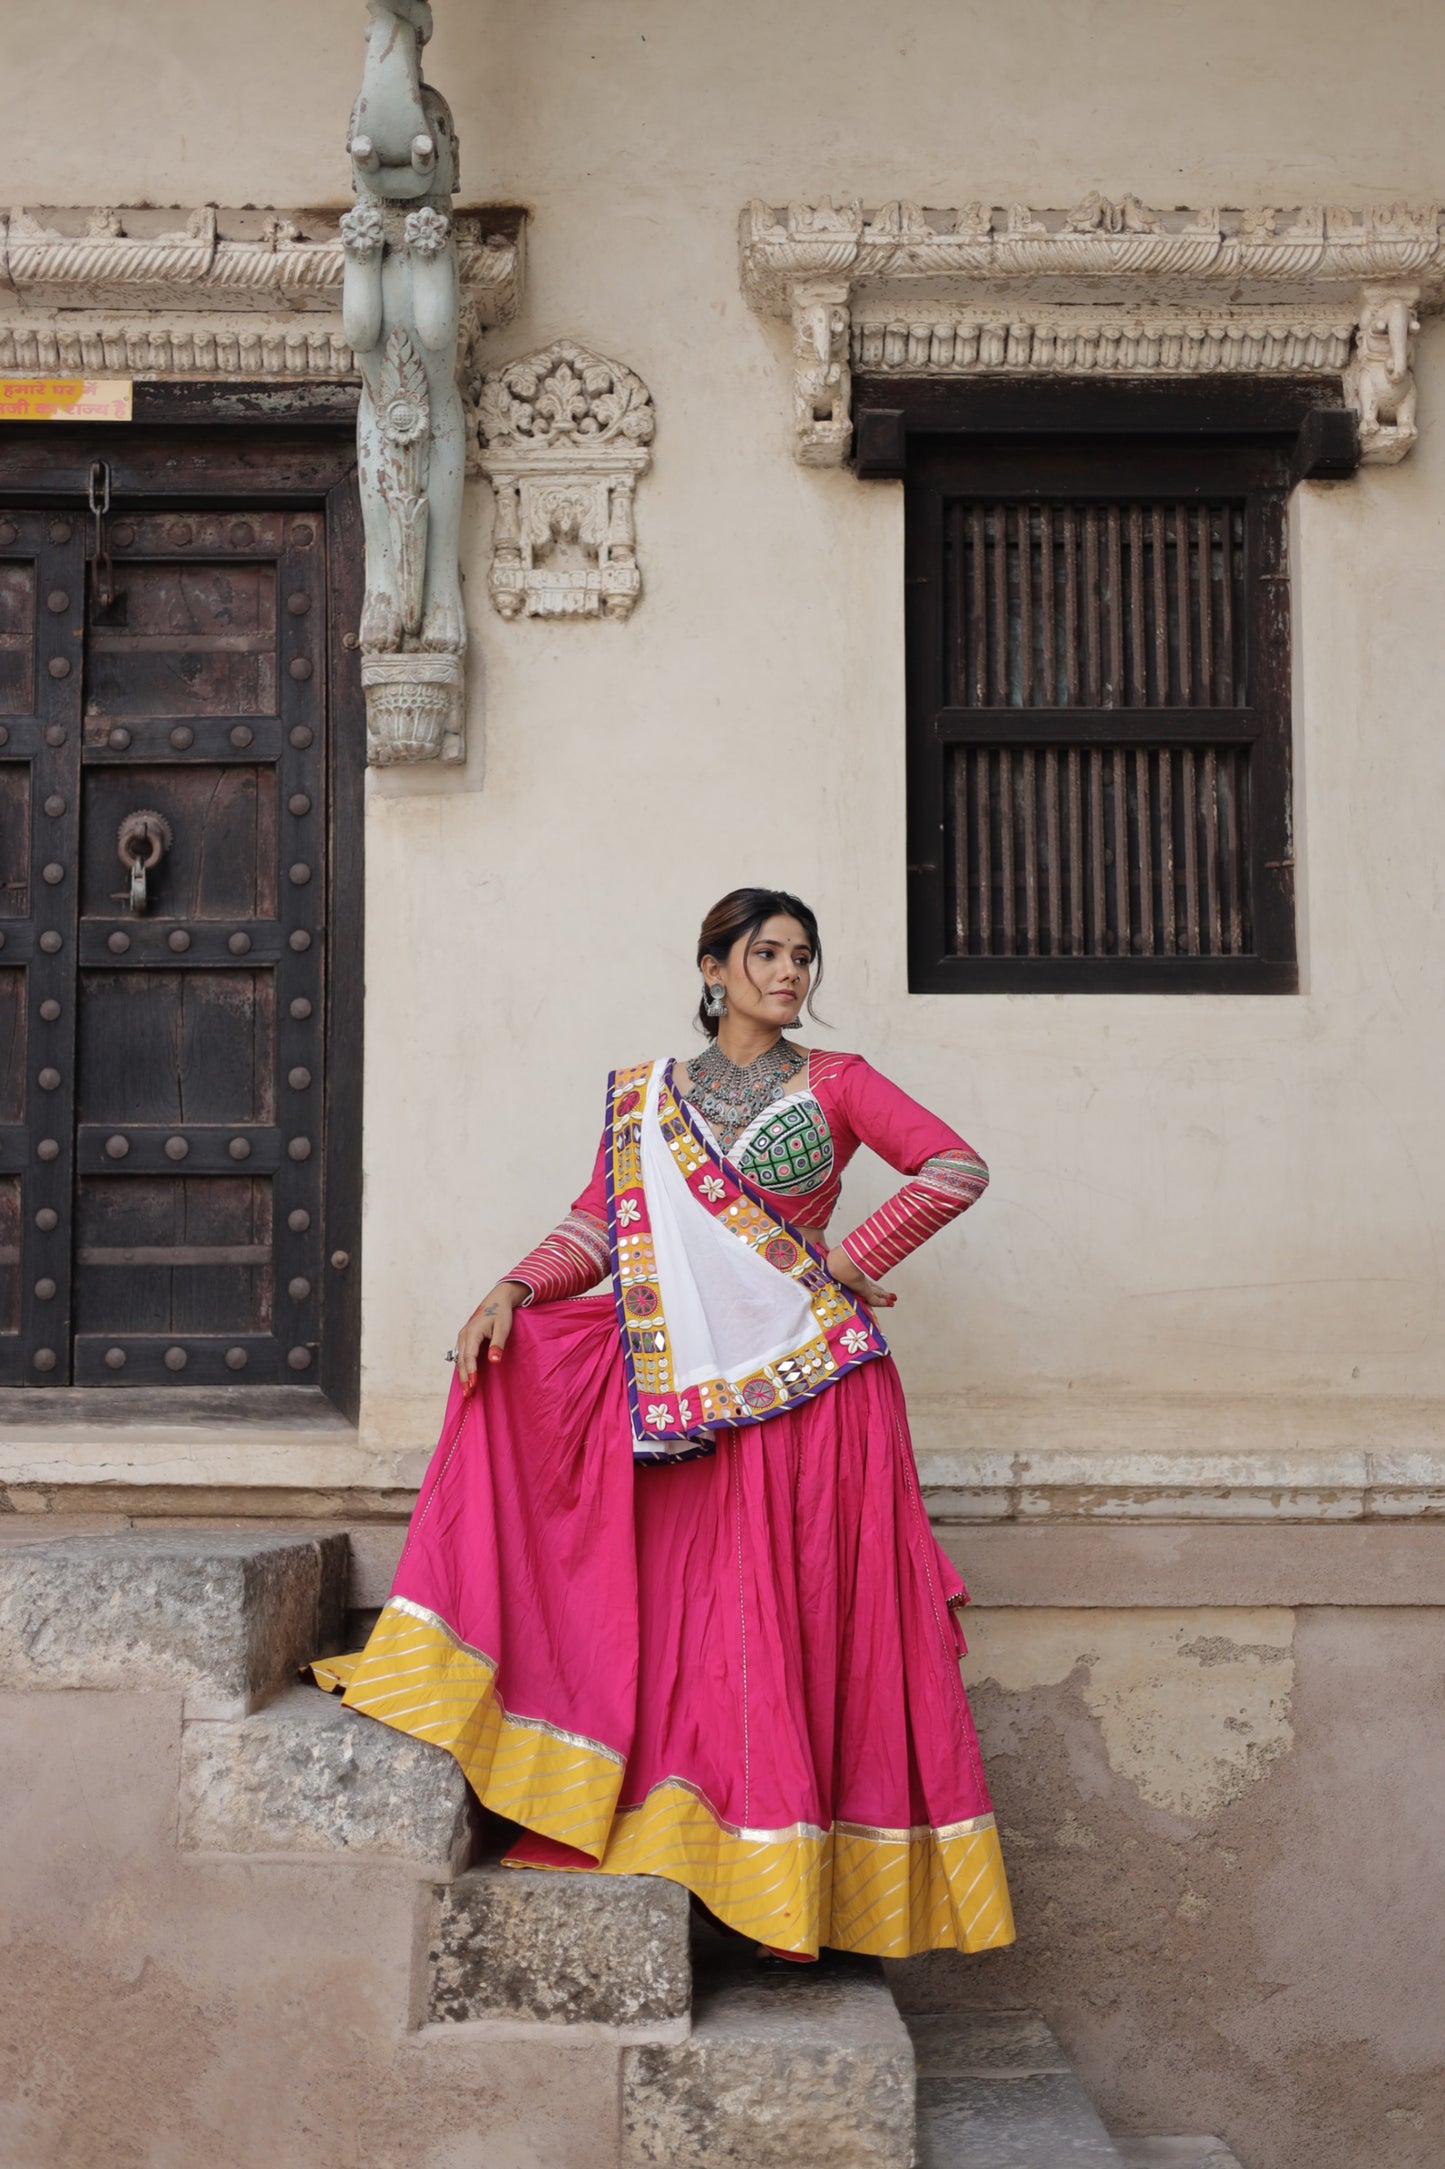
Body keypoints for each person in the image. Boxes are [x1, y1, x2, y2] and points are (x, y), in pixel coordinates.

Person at [315, 887, 1014, 1964]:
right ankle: (673, 1826)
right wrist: (515, 1286)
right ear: (712, 969)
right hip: (684, 1402)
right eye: (767, 954)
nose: (789, 974)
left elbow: (953, 1167)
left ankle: (789, 1883)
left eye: (803, 958)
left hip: (810, 1389)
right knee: (695, 1618)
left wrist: (851, 1256)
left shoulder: (840, 1084)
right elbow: (599, 1221)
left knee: (789, 1622)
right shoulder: (648, 1099)